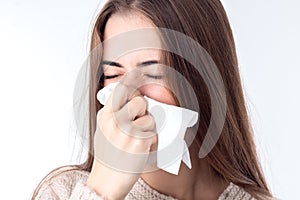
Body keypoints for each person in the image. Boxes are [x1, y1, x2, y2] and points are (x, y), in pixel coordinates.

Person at [32, 0, 274, 199]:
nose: (130, 95)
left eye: (154, 73)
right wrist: (101, 191)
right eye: (113, 75)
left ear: (204, 82)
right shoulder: (63, 193)